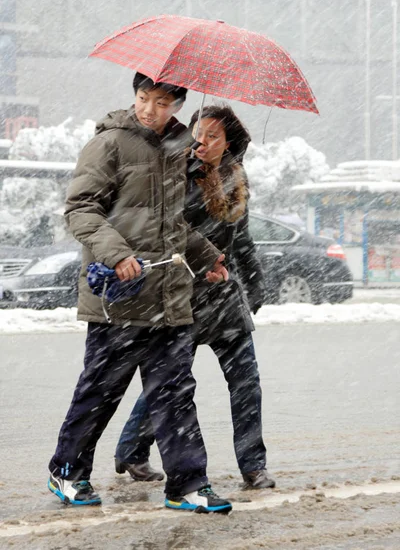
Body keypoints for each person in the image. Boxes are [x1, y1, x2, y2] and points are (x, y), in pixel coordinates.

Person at [47, 73, 233, 514]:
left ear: (179, 103)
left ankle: (188, 485)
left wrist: (207, 257)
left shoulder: (177, 148)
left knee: (174, 396)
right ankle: (67, 471)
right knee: (100, 393)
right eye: (143, 98)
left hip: (168, 297)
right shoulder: (109, 143)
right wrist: (116, 254)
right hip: (120, 297)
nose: (150, 109)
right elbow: (80, 209)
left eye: (163, 102)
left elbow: (170, 226)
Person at [115, 104, 276, 490]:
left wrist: (254, 285)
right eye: (198, 133)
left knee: (246, 383)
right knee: (172, 382)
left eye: (213, 136)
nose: (202, 142)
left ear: (229, 142)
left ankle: (253, 465)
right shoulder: (176, 174)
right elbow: (165, 232)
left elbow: (243, 241)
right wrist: (199, 260)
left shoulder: (236, 179)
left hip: (224, 296)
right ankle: (132, 451)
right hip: (181, 294)